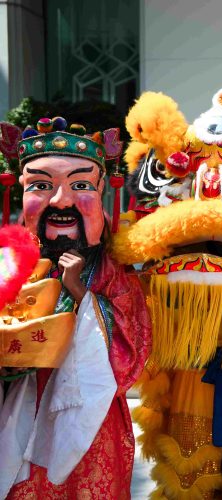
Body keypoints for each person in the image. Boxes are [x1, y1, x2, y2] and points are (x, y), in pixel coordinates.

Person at [0, 116, 151, 498]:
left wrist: (78, 289)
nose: (61, 201)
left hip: (91, 417)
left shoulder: (114, 271)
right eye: (40, 186)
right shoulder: (8, 264)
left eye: (80, 185)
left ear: (102, 194)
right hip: (22, 406)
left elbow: (134, 346)